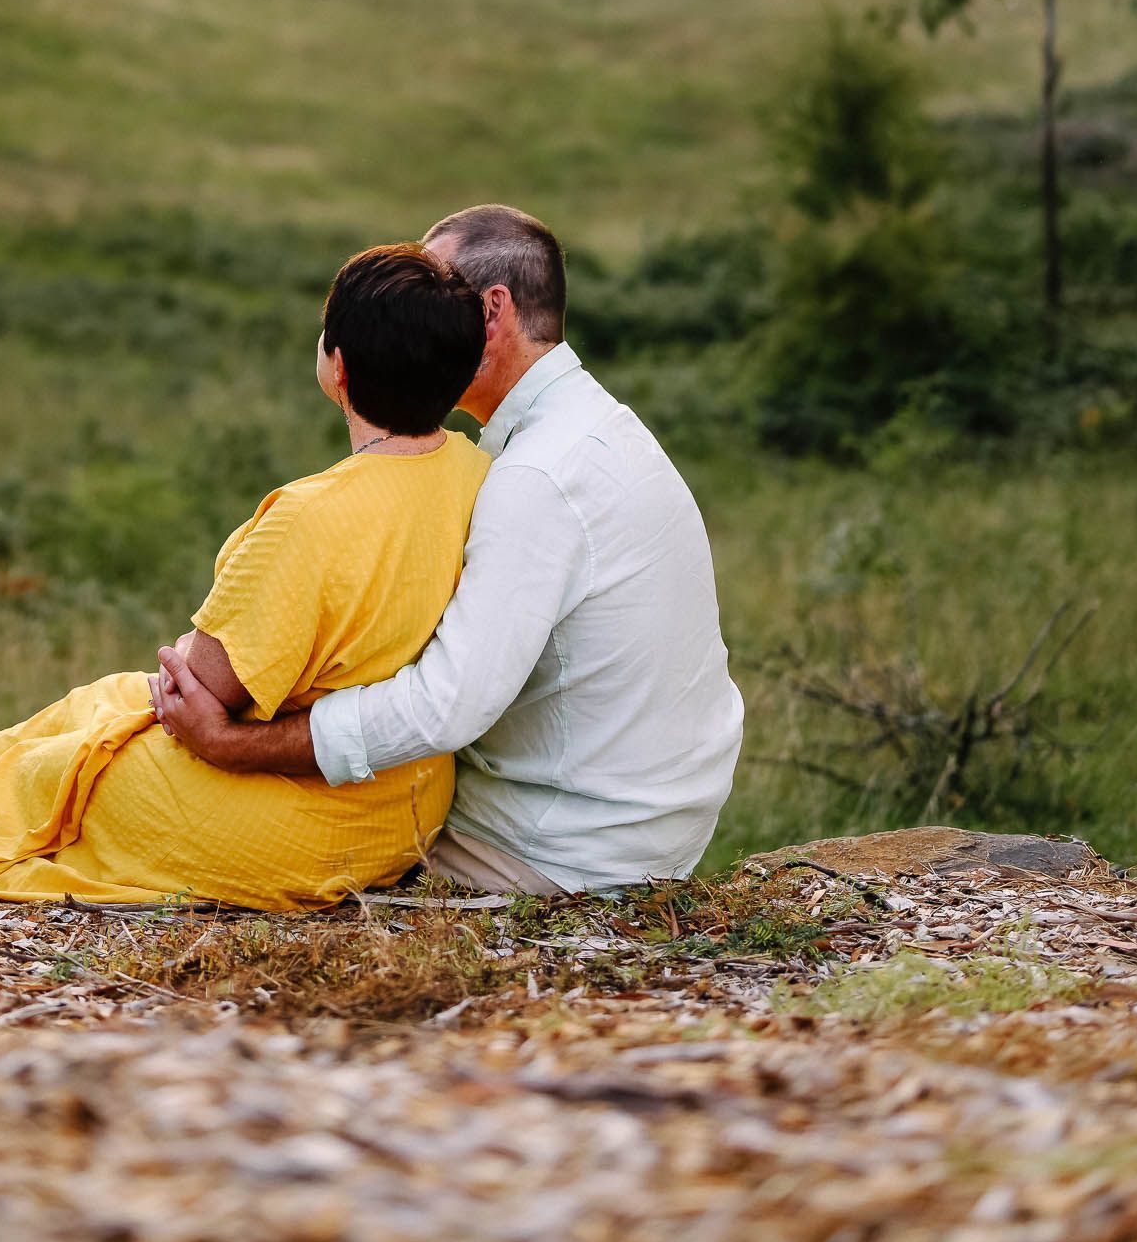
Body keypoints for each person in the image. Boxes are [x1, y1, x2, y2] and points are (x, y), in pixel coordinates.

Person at [0, 243, 489, 910]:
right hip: (404, 806)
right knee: (109, 700)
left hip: (303, 816)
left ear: (337, 366)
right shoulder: (473, 473)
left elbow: (204, 687)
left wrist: (192, 656)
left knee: (85, 764)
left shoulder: (311, 515)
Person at [155, 203, 744, 897]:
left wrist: (233, 744)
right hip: (636, 817)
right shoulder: (585, 427)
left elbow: (447, 707)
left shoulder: (536, 477)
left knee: (188, 812)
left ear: (491, 314)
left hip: (563, 849)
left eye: (439, 292)